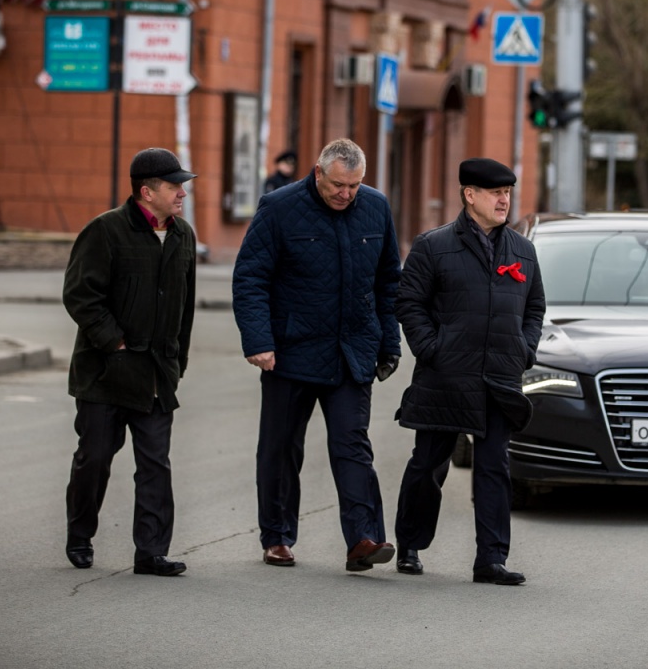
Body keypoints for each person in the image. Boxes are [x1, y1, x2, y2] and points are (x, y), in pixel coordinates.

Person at [232, 138, 402, 571]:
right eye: (339, 185)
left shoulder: (376, 207)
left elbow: (388, 283)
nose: (347, 194)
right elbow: (250, 277)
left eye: (355, 186)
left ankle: (364, 538)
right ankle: (277, 536)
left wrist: (389, 344)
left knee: (352, 446)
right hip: (291, 351)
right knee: (281, 447)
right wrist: (259, 341)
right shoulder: (279, 206)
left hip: (352, 351)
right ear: (317, 173)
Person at [393, 157, 546, 585]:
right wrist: (431, 347)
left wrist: (524, 350)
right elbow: (409, 303)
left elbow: (534, 308)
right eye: (495, 193)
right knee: (428, 464)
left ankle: (490, 560)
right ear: (469, 195)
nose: (504, 200)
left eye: (508, 193)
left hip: (500, 375)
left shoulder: (523, 251)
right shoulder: (434, 246)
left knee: (494, 466)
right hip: (446, 376)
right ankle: (409, 544)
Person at [62, 148, 197, 576]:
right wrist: (114, 343)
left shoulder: (183, 236)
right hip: (105, 373)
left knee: (155, 463)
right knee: (95, 457)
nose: (182, 193)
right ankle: (80, 534)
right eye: (174, 186)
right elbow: (81, 295)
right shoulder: (105, 231)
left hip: (158, 372)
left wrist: (178, 360)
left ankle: (151, 552)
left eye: (182, 186)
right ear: (146, 191)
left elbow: (186, 306)